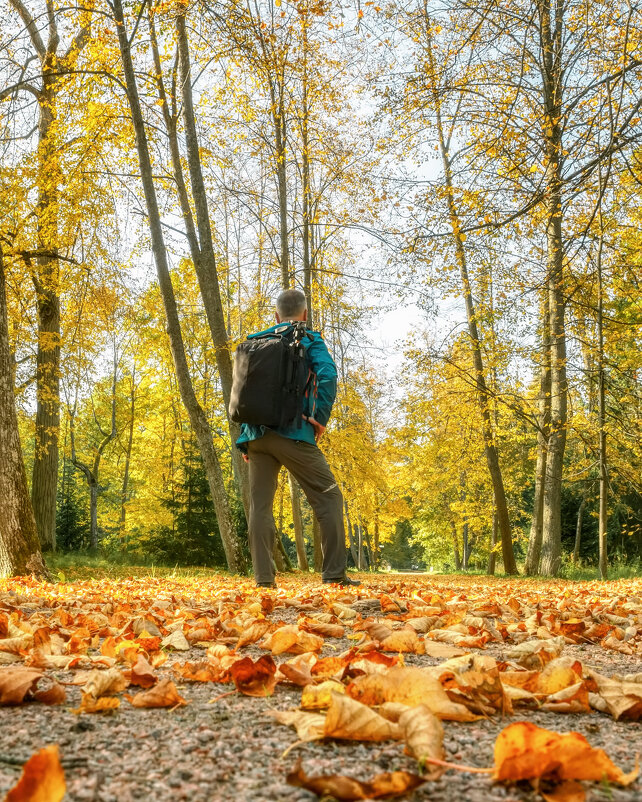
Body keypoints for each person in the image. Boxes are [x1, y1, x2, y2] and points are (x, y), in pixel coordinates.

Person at [236, 288, 360, 589]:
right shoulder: (308, 338)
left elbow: (244, 392)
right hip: (293, 434)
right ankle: (333, 575)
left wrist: (246, 438)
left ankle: (264, 581)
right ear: (304, 314)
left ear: (276, 316)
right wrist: (319, 417)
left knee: (260, 507)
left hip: (256, 436)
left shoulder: (255, 341)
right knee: (328, 497)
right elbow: (328, 375)